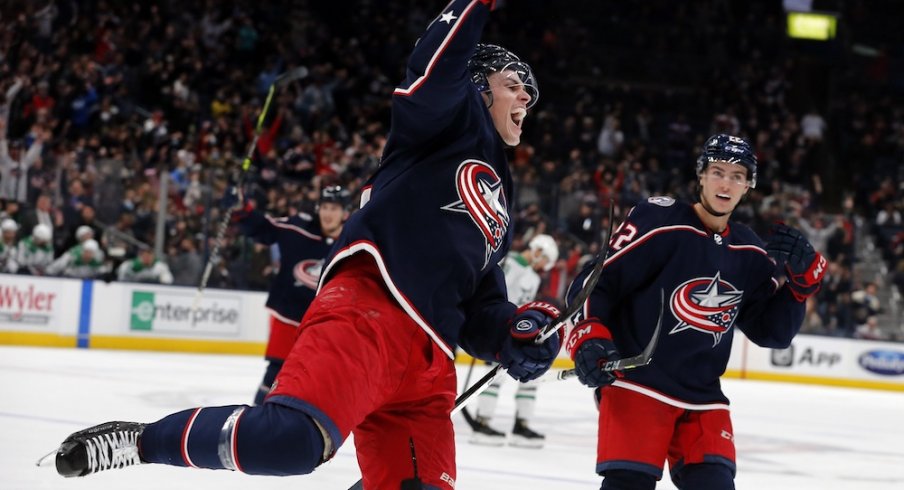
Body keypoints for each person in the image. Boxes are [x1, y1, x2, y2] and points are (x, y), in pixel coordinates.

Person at [52, 2, 562, 489]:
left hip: (428, 366)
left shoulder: (500, 192)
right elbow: (433, 65)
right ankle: (142, 441)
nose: (526, 100)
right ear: (476, 87)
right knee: (292, 442)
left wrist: (514, 335)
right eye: (514, 85)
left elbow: (480, 302)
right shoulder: (444, 123)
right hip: (372, 312)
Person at [563, 134, 826, 489]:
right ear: (701, 175)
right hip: (637, 386)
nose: (726, 183)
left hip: (703, 399)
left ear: (749, 185)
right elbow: (597, 281)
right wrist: (589, 336)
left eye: (737, 175)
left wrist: (800, 286)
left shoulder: (750, 251)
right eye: (718, 171)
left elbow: (772, 333)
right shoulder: (660, 221)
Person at [230, 185, 350, 405]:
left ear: (345, 213)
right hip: (289, 317)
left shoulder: (352, 240)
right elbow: (266, 229)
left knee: (318, 382)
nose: (328, 213)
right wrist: (242, 209)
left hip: (325, 324)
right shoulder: (299, 229)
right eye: (324, 207)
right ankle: (256, 422)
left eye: (334, 208)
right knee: (275, 375)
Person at [469, 233, 559, 448]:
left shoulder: (533, 277)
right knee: (495, 376)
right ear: (538, 251)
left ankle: (521, 425)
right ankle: (482, 422)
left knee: (531, 378)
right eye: (545, 260)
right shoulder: (509, 264)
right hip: (502, 331)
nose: (544, 267)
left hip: (520, 334)